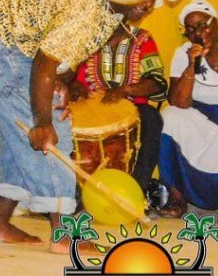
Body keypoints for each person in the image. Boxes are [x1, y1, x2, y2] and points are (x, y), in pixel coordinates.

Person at [0, 0, 184, 252]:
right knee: (49, 134)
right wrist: (43, 120)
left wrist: (64, 83)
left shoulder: (110, 13)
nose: (149, 2)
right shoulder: (87, 10)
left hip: (18, 46)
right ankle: (64, 234)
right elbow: (44, 62)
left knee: (24, 136)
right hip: (0, 44)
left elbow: (65, 54)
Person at [159, 0, 218, 224]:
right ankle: (176, 196)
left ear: (217, 24)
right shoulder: (184, 53)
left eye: (203, 25)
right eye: (191, 29)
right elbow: (178, 102)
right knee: (169, 117)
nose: (198, 33)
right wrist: (191, 65)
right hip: (202, 117)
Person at [72, 22, 167, 188]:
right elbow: (70, 76)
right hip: (90, 110)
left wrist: (126, 90)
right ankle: (77, 192)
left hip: (132, 109)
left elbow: (156, 82)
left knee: (151, 118)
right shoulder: (87, 37)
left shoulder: (142, 39)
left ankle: (136, 188)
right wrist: (75, 86)